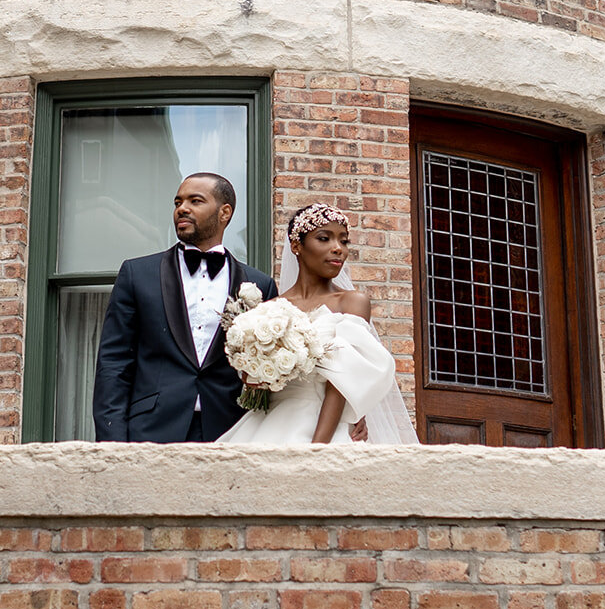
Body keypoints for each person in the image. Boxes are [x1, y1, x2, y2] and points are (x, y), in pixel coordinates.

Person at [92, 173, 279, 442]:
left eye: (196, 201)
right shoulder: (137, 274)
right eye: (178, 201)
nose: (182, 208)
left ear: (224, 212)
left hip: (232, 433)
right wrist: (112, 442)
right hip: (150, 432)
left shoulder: (259, 285)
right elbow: (114, 363)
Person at [216, 203, 420, 445]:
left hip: (324, 429)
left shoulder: (352, 302)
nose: (338, 249)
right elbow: (256, 387)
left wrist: (317, 450)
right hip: (270, 422)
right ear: (296, 246)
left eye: (344, 242)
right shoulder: (269, 310)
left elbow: (340, 383)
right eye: (324, 238)